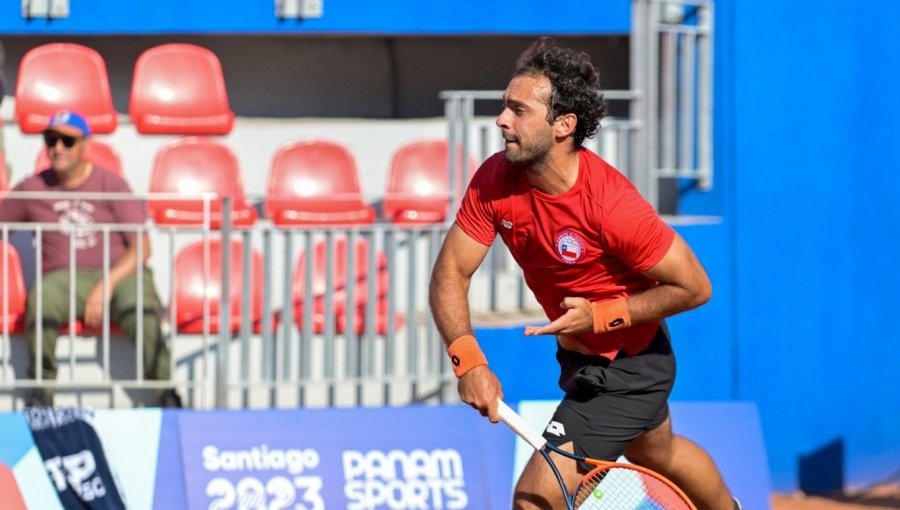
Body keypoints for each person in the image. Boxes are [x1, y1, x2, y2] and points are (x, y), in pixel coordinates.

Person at [429, 38, 739, 510]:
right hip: (584, 359)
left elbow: (696, 286)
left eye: (518, 110)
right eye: (503, 106)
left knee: (536, 500)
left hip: (625, 367)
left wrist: (601, 315)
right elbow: (450, 271)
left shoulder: (611, 205)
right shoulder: (495, 179)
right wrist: (469, 361)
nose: (501, 120)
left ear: (563, 125)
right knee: (659, 452)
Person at [0, 109, 182, 408]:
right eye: (51, 140)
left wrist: (104, 287)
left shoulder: (111, 184)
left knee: (140, 307)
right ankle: (41, 394)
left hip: (119, 273)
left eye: (67, 142)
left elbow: (142, 248)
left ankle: (167, 392)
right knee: (41, 300)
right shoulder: (33, 188)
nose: (58, 148)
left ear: (85, 145)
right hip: (64, 278)